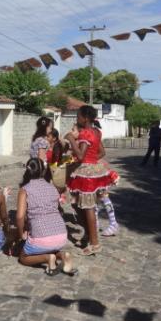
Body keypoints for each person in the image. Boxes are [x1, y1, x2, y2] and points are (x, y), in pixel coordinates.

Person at [64, 106, 117, 255]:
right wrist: (92, 161)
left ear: (85, 118)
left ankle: (95, 244)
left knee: (88, 208)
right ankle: (89, 235)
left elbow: (80, 156)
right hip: (92, 171)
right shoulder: (96, 132)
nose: (77, 119)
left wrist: (70, 139)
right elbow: (102, 152)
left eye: (78, 116)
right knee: (80, 205)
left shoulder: (85, 133)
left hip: (86, 174)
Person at [16, 158, 76, 276]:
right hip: (61, 235)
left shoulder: (25, 190)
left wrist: (20, 234)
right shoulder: (52, 188)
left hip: (41, 237)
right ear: (43, 171)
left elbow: (20, 217)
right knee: (51, 246)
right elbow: (58, 210)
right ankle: (63, 255)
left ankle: (48, 258)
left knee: (23, 257)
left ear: (27, 171)